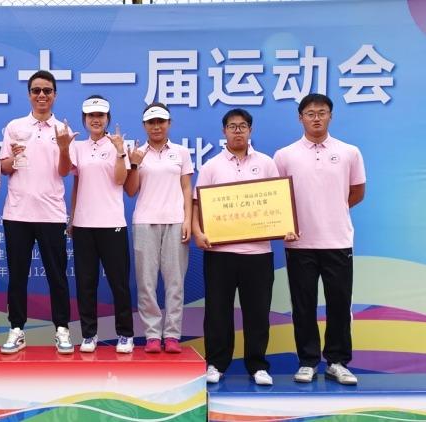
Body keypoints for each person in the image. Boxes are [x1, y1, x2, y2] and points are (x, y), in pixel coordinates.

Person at [192, 108, 297, 387]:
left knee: (257, 312)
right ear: (224, 131)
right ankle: (216, 364)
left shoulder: (266, 163)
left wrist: (285, 226)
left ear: (250, 130)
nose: (237, 131)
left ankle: (258, 365)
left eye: (242, 126)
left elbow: (278, 202)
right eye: (232, 126)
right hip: (220, 254)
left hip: (258, 254)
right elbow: (197, 204)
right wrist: (198, 232)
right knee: (218, 312)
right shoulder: (212, 166)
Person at [274, 93, 365, 385]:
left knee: (339, 304)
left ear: (330, 116)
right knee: (303, 305)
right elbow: (277, 198)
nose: (316, 118)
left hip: (338, 241)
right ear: (300, 117)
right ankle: (308, 361)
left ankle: (337, 362)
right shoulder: (284, 155)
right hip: (299, 243)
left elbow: (357, 192)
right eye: (310, 113)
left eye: (322, 112)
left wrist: (331, 210)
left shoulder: (349, 152)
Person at [0, 70, 74, 354]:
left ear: (55, 95)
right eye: (36, 90)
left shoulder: (62, 129)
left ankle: (62, 329)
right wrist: (15, 157)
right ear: (29, 94)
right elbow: (4, 168)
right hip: (17, 213)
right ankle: (16, 329)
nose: (41, 95)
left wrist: (64, 148)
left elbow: (64, 171)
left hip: (51, 214)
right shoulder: (15, 126)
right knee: (17, 276)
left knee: (58, 275)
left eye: (47, 91)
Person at [124, 103, 193, 354]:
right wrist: (133, 165)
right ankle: (152, 334)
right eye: (151, 122)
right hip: (145, 221)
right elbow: (131, 191)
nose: (156, 126)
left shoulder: (181, 152)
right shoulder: (137, 153)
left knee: (175, 282)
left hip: (175, 221)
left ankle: (172, 334)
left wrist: (188, 219)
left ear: (169, 123)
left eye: (161, 121)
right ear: (144, 126)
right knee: (146, 282)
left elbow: (187, 188)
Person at [70, 95, 134, 353]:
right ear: (84, 119)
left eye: (100, 116)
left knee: (119, 283)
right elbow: (77, 183)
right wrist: (72, 217)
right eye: (91, 116)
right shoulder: (77, 147)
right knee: (86, 283)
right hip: (84, 224)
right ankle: (89, 334)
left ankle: (125, 334)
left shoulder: (118, 145)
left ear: (108, 118)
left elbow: (120, 180)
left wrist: (119, 151)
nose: (95, 120)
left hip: (112, 223)